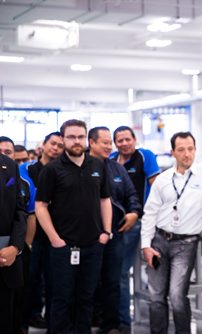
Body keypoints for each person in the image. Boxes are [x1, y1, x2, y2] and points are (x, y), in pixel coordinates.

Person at [35, 119, 112, 333]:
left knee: (87, 298)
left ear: (86, 139)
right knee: (62, 299)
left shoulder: (97, 165)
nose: (76, 141)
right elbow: (40, 206)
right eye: (71, 137)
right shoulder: (52, 170)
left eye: (80, 136)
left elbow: (105, 200)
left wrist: (106, 231)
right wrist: (54, 239)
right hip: (63, 246)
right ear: (63, 139)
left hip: (93, 245)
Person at [142, 132, 202, 333]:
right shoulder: (163, 178)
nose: (187, 154)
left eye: (190, 149)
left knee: (177, 296)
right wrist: (146, 246)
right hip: (159, 240)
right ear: (172, 153)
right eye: (181, 150)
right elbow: (150, 212)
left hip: (185, 244)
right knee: (156, 296)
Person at [88, 126, 142, 333]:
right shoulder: (81, 166)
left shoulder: (116, 168)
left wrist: (134, 212)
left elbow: (131, 194)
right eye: (105, 142)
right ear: (92, 143)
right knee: (88, 280)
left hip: (115, 232)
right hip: (88, 233)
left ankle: (112, 325)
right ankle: (88, 322)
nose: (109, 146)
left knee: (113, 279)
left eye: (110, 142)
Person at [110, 125, 161, 331]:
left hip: (141, 220)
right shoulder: (112, 160)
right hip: (115, 223)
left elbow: (157, 188)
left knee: (123, 272)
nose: (124, 144)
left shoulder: (145, 156)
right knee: (115, 272)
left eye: (127, 139)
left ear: (134, 139)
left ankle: (124, 323)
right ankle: (116, 319)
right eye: (119, 140)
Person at [19, 131, 64, 330]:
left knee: (55, 280)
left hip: (58, 231)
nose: (55, 148)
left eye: (60, 146)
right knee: (31, 277)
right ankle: (33, 314)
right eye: (52, 144)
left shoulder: (63, 170)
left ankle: (54, 320)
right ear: (43, 145)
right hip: (33, 233)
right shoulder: (27, 169)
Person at [0, 148, 27, 334]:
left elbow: (20, 210)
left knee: (5, 320)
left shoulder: (9, 165)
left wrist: (15, 247)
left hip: (5, 259)